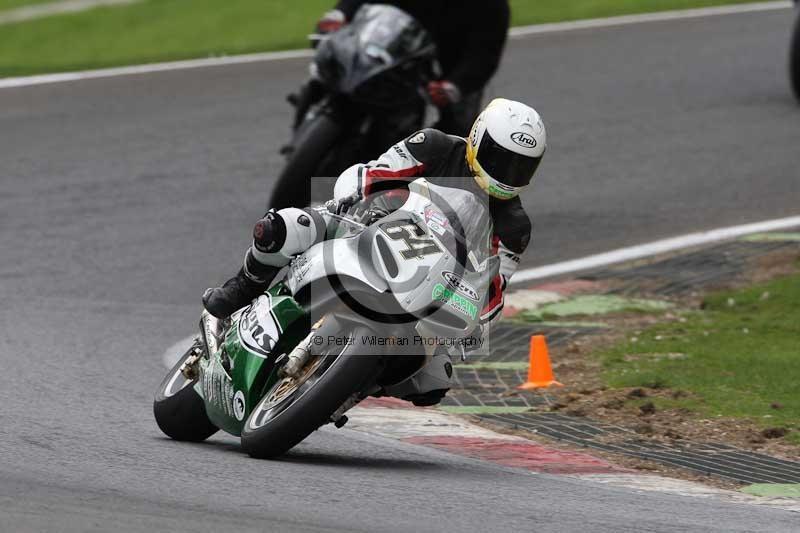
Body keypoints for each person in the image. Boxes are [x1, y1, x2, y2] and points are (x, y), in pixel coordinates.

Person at [204, 99, 546, 328]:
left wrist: (474, 318)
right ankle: (244, 286)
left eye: (520, 167)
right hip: (365, 228)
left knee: (433, 380)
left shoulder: (515, 227)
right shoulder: (435, 145)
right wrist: (351, 195)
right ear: (477, 137)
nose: (508, 173)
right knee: (280, 228)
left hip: (423, 288)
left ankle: (350, 382)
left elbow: (494, 292)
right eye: (501, 159)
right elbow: (375, 173)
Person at [312, 0, 511, 136]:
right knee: (334, 56)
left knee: (463, 125)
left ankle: (447, 190)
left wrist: (454, 86)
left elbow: (485, 54)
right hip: (390, 46)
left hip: (448, 68)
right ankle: (309, 108)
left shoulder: (493, 6)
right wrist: (341, 13)